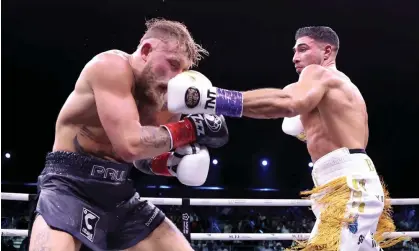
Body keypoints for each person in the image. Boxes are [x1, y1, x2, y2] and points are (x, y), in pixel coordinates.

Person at [167, 26, 408, 250]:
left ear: (327, 51)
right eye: (294, 51)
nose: (295, 57)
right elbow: (325, 132)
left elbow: (288, 103)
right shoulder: (339, 87)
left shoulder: (320, 74)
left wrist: (213, 99)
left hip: (349, 187)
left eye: (303, 49)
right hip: (345, 184)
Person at [28, 18, 230, 251]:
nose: (178, 78)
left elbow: (140, 158)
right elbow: (130, 146)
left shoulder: (165, 98)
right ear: (146, 51)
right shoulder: (110, 67)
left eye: (184, 70)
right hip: (70, 186)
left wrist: (171, 164)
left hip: (119, 192)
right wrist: (192, 128)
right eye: (173, 64)